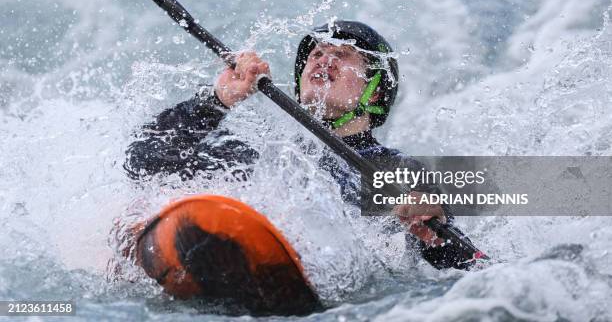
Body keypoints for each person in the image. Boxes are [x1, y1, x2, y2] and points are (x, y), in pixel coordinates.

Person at [124, 20, 477, 270]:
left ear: (377, 91)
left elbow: (457, 266)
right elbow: (142, 162)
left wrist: (430, 230)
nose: (323, 59)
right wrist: (218, 99)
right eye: (317, 53)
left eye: (343, 55)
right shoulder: (262, 150)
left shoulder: (397, 173)